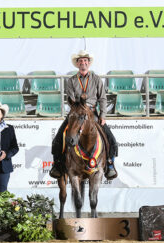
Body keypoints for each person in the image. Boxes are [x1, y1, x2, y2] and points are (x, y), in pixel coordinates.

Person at [49, 50, 118, 179]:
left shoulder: (96, 79)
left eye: (85, 61)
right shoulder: (71, 81)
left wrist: (103, 116)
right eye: (80, 61)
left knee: (111, 139)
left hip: (92, 112)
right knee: (59, 137)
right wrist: (79, 107)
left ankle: (109, 164)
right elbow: (70, 98)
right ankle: (57, 164)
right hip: (76, 112)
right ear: (77, 64)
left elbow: (102, 98)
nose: (83, 63)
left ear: (88, 63)